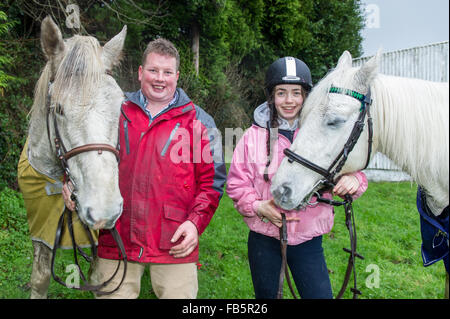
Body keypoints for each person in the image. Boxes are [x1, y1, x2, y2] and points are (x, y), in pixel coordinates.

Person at [63, 38, 226, 299]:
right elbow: (84, 151)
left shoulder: (200, 121)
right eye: (153, 70)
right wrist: (70, 182)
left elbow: (211, 183)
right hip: (117, 236)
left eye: (167, 72)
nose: (160, 78)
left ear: (177, 76)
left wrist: (195, 224)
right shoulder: (115, 111)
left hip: (175, 241)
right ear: (140, 73)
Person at [226, 56, 368, 299]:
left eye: (296, 93)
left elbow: (348, 163)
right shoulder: (252, 136)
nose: (289, 100)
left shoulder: (324, 133)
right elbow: (237, 183)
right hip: (264, 237)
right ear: (271, 96)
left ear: (306, 96)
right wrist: (258, 206)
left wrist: (355, 180)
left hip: (308, 239)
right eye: (281, 93)